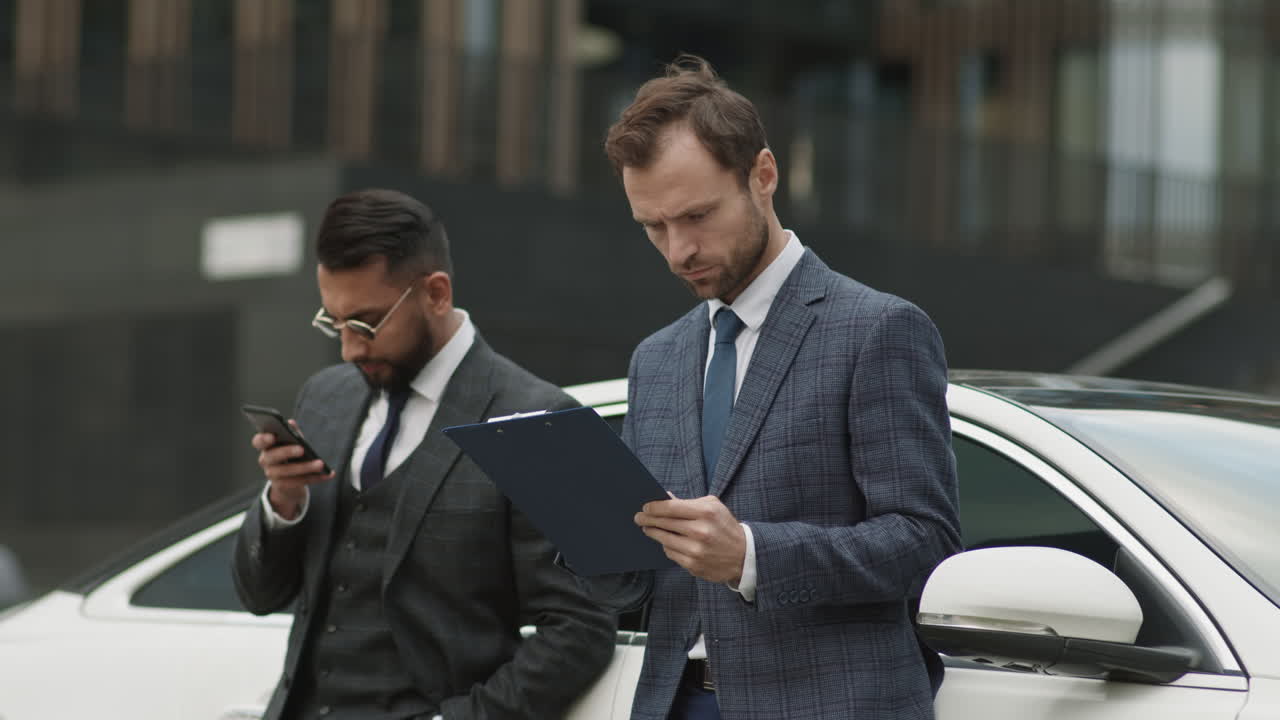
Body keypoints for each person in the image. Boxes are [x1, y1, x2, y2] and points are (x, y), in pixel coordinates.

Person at [580, 56, 962, 720]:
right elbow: (638, 584)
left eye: (697, 216)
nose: (678, 251)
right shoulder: (657, 360)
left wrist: (751, 556)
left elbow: (923, 541)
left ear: (763, 175)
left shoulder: (878, 330)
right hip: (673, 701)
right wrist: (586, 530)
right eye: (654, 227)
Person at [232, 189, 616, 720]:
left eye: (365, 324)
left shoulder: (543, 418)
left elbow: (584, 628)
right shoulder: (325, 397)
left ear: (435, 293)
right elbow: (259, 595)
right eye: (334, 323)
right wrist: (284, 502)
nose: (349, 348)